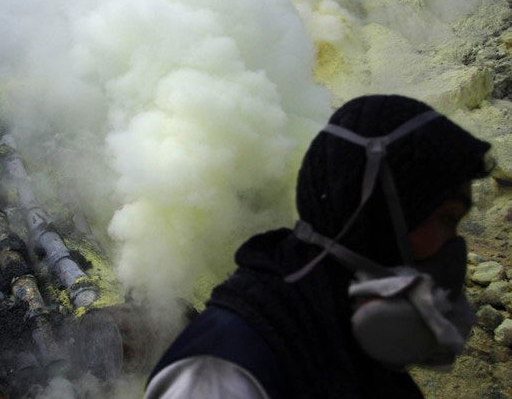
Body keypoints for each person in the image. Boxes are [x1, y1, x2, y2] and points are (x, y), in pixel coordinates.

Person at [145, 94, 491, 399]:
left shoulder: (343, 336)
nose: (454, 250)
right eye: (447, 219)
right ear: (378, 216)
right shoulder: (224, 371)